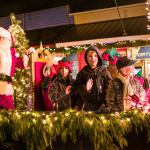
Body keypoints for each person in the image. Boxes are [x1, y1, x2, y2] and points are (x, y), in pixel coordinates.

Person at [73, 46, 112, 111]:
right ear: (86, 58)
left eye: (95, 56)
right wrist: (85, 88)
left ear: (99, 57)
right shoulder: (82, 73)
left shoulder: (104, 72)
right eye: (90, 56)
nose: (93, 58)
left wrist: (105, 104)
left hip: (103, 108)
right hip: (87, 109)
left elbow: (110, 89)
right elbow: (77, 91)